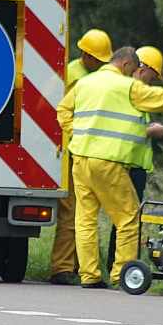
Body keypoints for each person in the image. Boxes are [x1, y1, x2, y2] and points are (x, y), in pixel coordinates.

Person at [56, 46, 163, 288]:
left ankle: (89, 276)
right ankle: (121, 275)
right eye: (132, 69)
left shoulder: (85, 83)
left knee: (85, 220)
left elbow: (63, 110)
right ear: (125, 64)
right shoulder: (127, 87)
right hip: (108, 161)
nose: (132, 74)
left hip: (80, 159)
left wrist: (78, 133)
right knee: (129, 218)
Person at [49, 29, 112, 286]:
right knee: (71, 211)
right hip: (69, 148)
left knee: (79, 210)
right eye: (98, 60)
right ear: (85, 55)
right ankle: (62, 268)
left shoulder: (79, 72)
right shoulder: (76, 76)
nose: (101, 65)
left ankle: (73, 265)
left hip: (74, 148)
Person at [105, 46, 163, 273]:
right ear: (142, 69)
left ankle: (117, 266)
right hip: (127, 165)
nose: (153, 82)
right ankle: (121, 268)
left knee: (125, 221)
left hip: (133, 165)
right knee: (127, 221)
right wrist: (151, 131)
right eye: (153, 76)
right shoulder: (129, 90)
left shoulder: (134, 91)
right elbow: (120, 128)